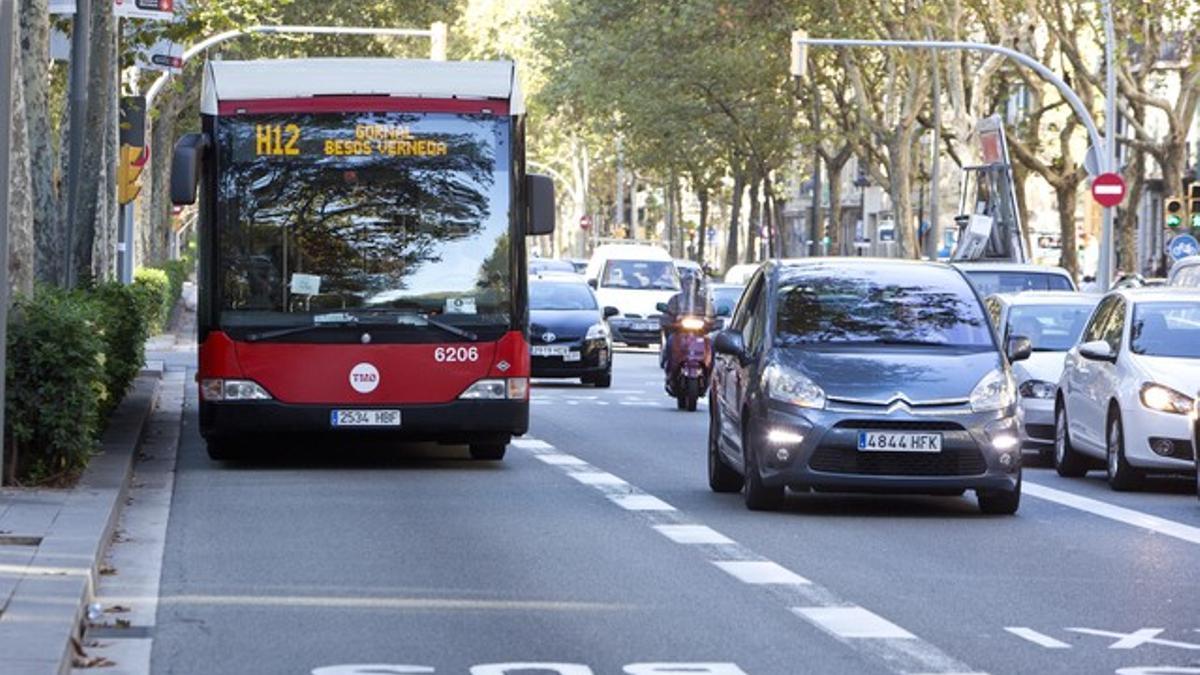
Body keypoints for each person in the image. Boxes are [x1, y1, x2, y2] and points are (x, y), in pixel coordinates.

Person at [659, 269, 714, 368]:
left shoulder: (704, 301)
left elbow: (711, 315)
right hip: (679, 332)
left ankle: (710, 366)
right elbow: (667, 315)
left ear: (698, 285)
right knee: (671, 341)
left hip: (700, 333)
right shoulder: (675, 300)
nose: (690, 286)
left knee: (711, 344)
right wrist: (671, 320)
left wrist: (711, 321)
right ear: (682, 284)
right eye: (687, 283)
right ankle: (668, 363)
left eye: (693, 283)